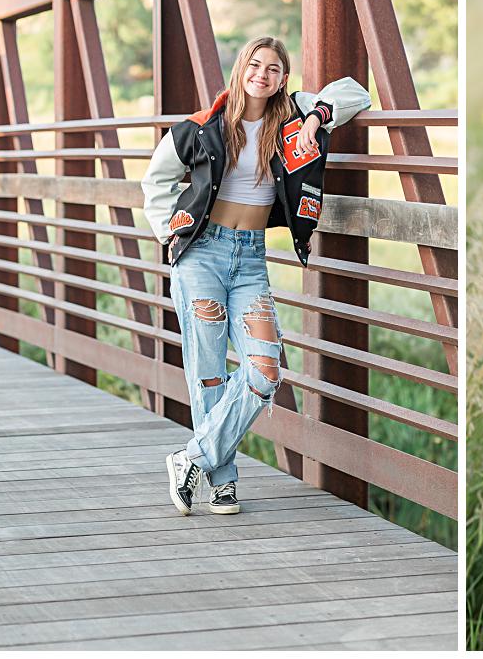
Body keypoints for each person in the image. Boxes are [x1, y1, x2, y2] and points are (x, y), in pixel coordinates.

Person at [141, 35, 370, 516]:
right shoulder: (204, 128)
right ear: (240, 70)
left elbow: (355, 93)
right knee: (208, 373)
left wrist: (313, 117)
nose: (261, 75)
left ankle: (192, 459)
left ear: (283, 78)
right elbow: (156, 179)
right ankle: (222, 483)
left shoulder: (291, 117)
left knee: (265, 371)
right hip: (202, 254)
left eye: (272, 69)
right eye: (254, 65)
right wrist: (169, 232)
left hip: (250, 260)